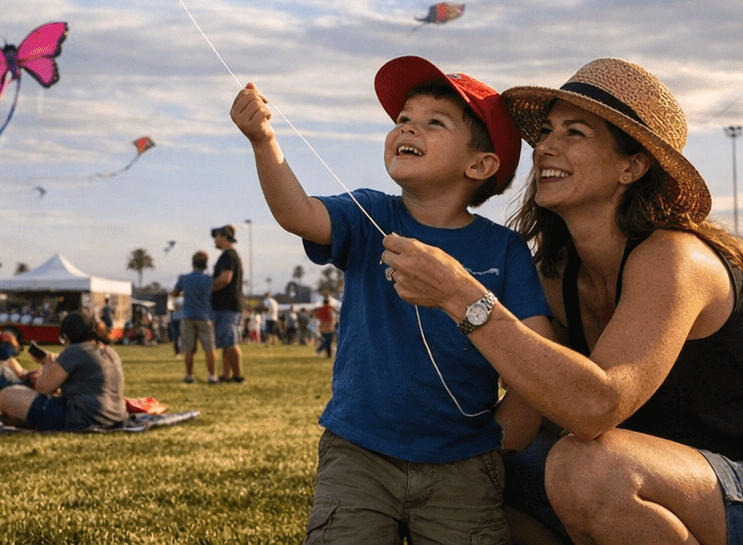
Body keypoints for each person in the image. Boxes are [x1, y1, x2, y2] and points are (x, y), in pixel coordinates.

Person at [381, 58, 743, 545]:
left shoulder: (674, 258)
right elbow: (524, 412)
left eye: (573, 133)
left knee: (586, 468)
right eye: (547, 132)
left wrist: (463, 296)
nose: (546, 149)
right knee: (480, 477)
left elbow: (596, 407)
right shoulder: (554, 277)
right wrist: (416, 463)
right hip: (688, 493)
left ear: (632, 165)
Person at [232, 55, 547, 545]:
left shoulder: (503, 249)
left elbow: (537, 350)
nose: (409, 128)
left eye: (433, 123)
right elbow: (300, 214)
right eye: (403, 120)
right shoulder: (368, 212)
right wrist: (263, 141)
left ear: (480, 165)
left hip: (463, 465)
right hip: (358, 452)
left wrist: (499, 440)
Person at [0, 311, 127, 431]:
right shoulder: (109, 350)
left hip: (84, 417)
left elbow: (43, 388)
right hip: (115, 415)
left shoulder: (76, 350)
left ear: (67, 336)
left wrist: (48, 363)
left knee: (7, 395)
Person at [174, 251, 216, 383]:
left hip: (187, 317)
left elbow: (175, 293)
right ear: (205, 265)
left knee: (188, 349)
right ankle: (212, 376)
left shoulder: (184, 278)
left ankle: (188, 375)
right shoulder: (210, 279)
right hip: (205, 316)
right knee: (209, 349)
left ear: (193, 263)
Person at [209, 225, 245, 383]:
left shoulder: (228, 256)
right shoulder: (231, 255)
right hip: (230, 305)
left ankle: (237, 377)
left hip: (227, 305)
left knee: (230, 342)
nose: (215, 241)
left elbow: (225, 278)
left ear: (223, 237)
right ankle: (226, 375)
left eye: (216, 237)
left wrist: (208, 289)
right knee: (226, 342)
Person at [166, 289, 184, 357]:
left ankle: (178, 352)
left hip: (176, 320)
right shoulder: (182, 299)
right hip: (179, 319)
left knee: (177, 337)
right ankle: (180, 352)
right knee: (180, 337)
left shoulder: (174, 300)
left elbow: (170, 308)